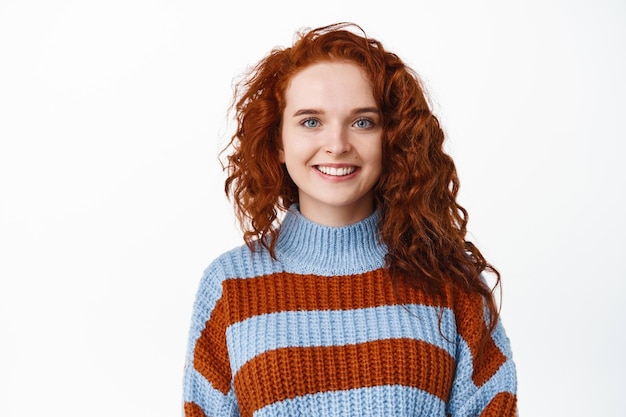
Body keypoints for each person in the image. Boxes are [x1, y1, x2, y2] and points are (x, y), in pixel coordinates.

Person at [182, 22, 517, 417]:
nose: (338, 145)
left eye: (362, 122)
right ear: (277, 142)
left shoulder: (450, 283)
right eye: (311, 121)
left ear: (391, 138)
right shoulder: (229, 288)